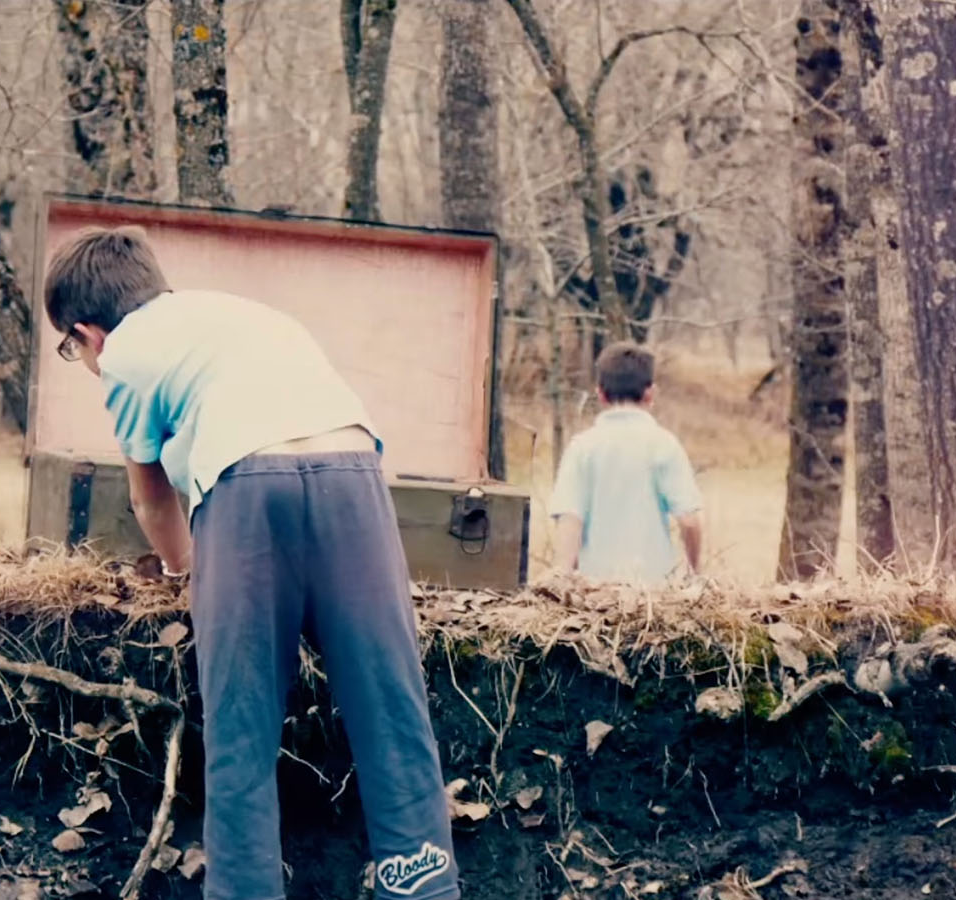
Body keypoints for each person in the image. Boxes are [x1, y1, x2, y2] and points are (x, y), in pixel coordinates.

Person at [44, 225, 461, 900]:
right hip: (354, 477)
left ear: (87, 334)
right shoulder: (247, 313)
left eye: (73, 349)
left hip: (248, 486)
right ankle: (424, 888)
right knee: (390, 705)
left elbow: (150, 499)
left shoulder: (122, 356)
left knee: (243, 723)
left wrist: (184, 574)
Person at [549, 340, 702, 583]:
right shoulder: (664, 445)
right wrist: (695, 571)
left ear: (600, 394)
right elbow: (689, 521)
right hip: (655, 590)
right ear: (650, 393)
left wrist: (562, 576)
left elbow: (570, 520)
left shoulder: (582, 448)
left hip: (596, 591)